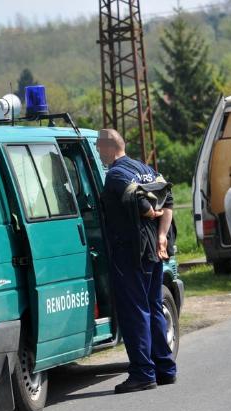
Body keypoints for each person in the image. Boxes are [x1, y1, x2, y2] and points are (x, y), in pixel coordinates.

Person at [96, 128, 177, 394]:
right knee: (153, 306)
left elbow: (145, 207)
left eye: (99, 148)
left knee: (135, 311)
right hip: (155, 249)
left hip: (130, 252)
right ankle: (165, 369)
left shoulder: (116, 174)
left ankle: (143, 373)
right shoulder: (147, 169)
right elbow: (169, 200)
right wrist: (162, 236)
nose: (98, 153)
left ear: (109, 147)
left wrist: (148, 212)